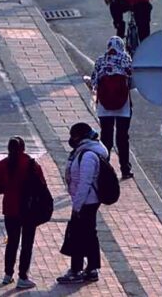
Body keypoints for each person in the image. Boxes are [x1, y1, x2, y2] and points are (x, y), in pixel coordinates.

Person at [57, 122, 108, 284]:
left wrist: (77, 206)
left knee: (78, 235)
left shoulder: (88, 155)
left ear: (80, 137)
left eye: (73, 136)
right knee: (89, 234)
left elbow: (84, 183)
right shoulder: (86, 150)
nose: (71, 139)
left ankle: (76, 270)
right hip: (87, 201)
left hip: (86, 202)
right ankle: (91, 268)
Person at [0, 136, 44, 290]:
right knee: (27, 244)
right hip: (29, 210)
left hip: (10, 209)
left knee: (12, 242)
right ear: (23, 148)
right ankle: (23, 276)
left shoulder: (1, 165)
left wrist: (8, 188)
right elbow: (42, 186)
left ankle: (8, 275)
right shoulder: (32, 164)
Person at [90, 36, 134, 180]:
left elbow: (94, 81)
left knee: (106, 137)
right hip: (123, 105)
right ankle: (125, 169)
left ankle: (104, 168)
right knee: (122, 138)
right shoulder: (126, 59)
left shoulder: (100, 60)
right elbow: (132, 79)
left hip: (104, 105)